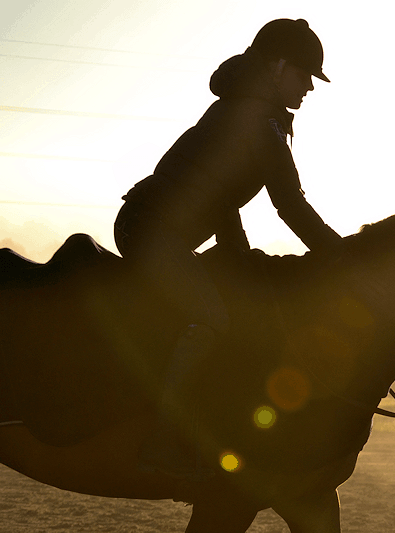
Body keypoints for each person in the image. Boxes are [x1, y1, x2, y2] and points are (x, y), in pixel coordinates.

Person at [113, 18, 341, 479]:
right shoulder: (257, 120)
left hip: (168, 232)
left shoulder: (252, 112)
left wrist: (241, 256)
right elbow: (291, 207)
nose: (309, 89)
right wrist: (345, 260)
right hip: (150, 231)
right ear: (277, 67)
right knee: (211, 317)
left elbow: (219, 195)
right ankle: (160, 439)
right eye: (303, 76)